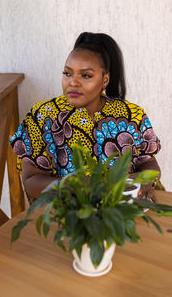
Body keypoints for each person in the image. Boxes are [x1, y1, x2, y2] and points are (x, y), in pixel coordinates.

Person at [10, 32, 161, 201]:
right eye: (67, 73)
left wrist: (145, 180)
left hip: (121, 214)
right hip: (65, 218)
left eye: (86, 75)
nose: (73, 82)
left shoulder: (132, 115)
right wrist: (86, 185)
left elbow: (148, 162)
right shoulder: (43, 116)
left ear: (105, 80)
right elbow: (31, 182)